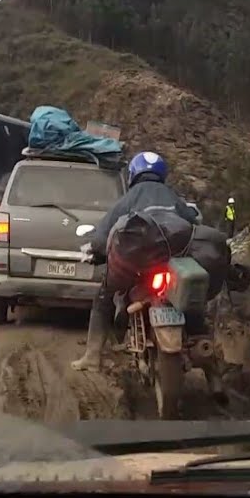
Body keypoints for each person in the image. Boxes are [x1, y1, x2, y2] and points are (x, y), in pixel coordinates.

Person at [71, 151, 198, 372]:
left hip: (137, 267)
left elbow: (103, 234)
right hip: (170, 264)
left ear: (133, 174)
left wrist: (95, 250)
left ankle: (92, 357)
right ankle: (204, 352)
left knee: (104, 295)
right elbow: (193, 221)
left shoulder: (130, 198)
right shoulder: (173, 197)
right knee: (192, 300)